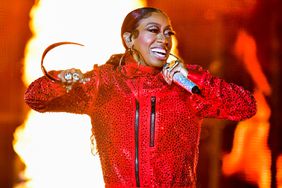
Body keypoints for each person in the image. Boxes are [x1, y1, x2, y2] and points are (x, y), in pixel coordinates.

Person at [24, 7, 257, 188]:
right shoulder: (103, 84)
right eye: (154, 30)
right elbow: (36, 98)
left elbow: (245, 106)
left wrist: (195, 78)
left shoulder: (184, 88)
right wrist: (61, 78)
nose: (164, 39)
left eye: (168, 33)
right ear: (129, 39)